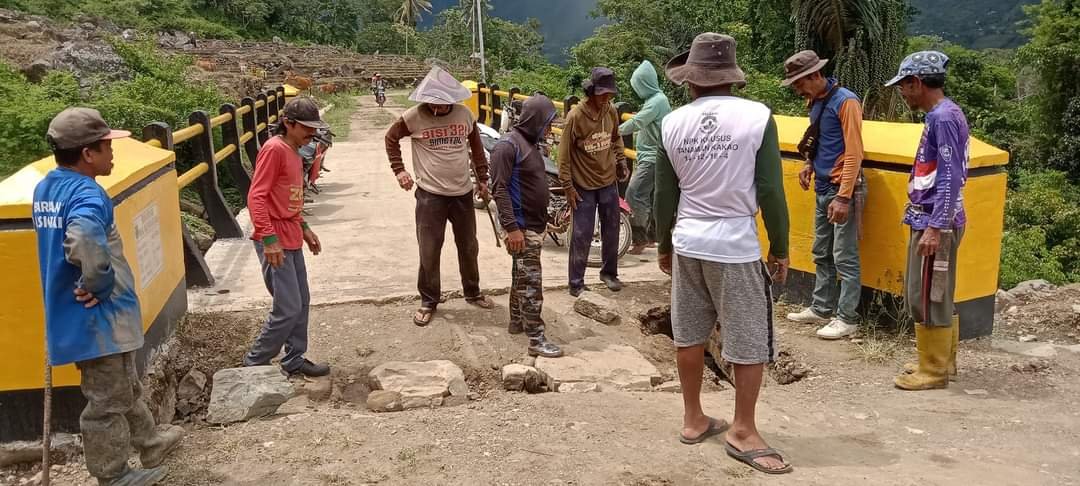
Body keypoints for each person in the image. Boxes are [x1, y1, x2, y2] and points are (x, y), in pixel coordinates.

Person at [654, 33, 792, 474]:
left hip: (688, 242)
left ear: (690, 80)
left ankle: (693, 418)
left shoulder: (672, 123)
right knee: (749, 337)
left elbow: (663, 193)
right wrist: (782, 247)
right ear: (732, 78)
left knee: (689, 333)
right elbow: (770, 189)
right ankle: (743, 430)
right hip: (735, 245)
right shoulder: (757, 117)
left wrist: (662, 244)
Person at [33, 108, 185, 486]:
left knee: (122, 386)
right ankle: (113, 474)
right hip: (99, 319)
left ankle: (150, 441)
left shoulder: (47, 186)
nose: (113, 153)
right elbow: (84, 238)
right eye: (106, 146)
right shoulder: (88, 193)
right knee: (105, 402)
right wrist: (97, 284)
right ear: (88, 154)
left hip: (72, 316)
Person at [385, 66, 495, 326]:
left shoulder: (465, 115)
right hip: (430, 195)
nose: (439, 108)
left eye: (444, 103)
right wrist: (399, 171)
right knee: (429, 249)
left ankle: (473, 291)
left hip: (462, 192)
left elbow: (477, 149)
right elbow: (391, 139)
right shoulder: (412, 117)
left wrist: (483, 179)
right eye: (434, 104)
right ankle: (428, 300)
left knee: (469, 245)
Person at [886, 51, 969, 391]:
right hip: (933, 217)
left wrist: (936, 226)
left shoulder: (943, 119)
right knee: (936, 291)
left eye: (903, 87)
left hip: (935, 221)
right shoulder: (942, 115)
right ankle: (938, 360)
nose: (902, 94)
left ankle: (934, 371)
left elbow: (949, 176)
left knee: (927, 294)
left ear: (916, 83)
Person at [781, 50, 867, 340]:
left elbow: (855, 152)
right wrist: (808, 164)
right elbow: (820, 140)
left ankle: (847, 317)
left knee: (844, 255)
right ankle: (821, 307)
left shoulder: (847, 102)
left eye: (799, 83)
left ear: (816, 75)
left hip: (842, 189)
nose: (797, 89)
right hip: (822, 186)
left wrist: (844, 196)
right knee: (822, 251)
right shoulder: (815, 101)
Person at [244, 97, 331, 378]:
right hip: (275, 238)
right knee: (288, 307)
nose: (311, 134)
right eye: (306, 127)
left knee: (302, 302)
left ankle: (294, 358)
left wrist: (304, 228)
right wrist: (268, 238)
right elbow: (257, 196)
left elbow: (289, 197)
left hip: (291, 235)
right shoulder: (274, 150)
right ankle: (254, 362)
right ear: (289, 124)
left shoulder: (295, 151)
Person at [489, 94, 564, 358]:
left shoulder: (530, 143)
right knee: (532, 282)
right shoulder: (507, 147)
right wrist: (512, 228)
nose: (549, 128)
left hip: (532, 224)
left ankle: (516, 320)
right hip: (520, 226)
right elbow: (498, 190)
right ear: (535, 120)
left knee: (519, 274)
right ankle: (536, 337)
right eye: (547, 122)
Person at [559, 67, 630, 296]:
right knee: (582, 233)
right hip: (583, 184)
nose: (606, 99)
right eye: (602, 95)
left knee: (612, 228)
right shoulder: (575, 117)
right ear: (591, 92)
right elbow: (564, 155)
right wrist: (568, 187)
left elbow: (616, 138)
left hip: (607, 180)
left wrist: (621, 161)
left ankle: (609, 272)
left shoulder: (610, 112)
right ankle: (576, 282)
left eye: (609, 95)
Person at [619, 60, 672, 255]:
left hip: (653, 158)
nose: (637, 90)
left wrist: (613, 131)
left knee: (634, 194)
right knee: (648, 197)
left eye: (638, 85)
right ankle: (650, 237)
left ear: (645, 83)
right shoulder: (653, 100)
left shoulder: (658, 101)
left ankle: (639, 238)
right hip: (648, 156)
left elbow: (638, 121)